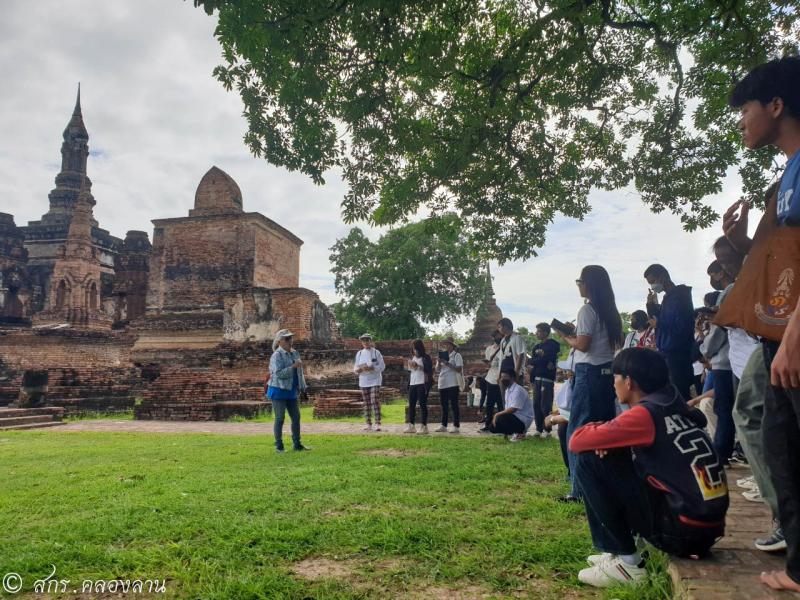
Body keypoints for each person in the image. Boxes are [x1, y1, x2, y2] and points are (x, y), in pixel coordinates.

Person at [715, 56, 800, 592]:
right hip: (781, 333)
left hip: (793, 336)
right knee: (778, 442)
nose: (742, 121)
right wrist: (748, 244)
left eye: (746, 108)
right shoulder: (788, 174)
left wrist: (795, 332)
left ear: (775, 105)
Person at [570, 348, 729, 588]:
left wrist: (602, 431)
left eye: (616, 378)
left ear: (629, 381)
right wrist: (612, 443)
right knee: (612, 453)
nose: (614, 384)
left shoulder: (646, 414)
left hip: (680, 533)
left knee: (589, 459)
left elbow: (576, 440)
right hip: (705, 530)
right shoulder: (675, 405)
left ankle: (627, 563)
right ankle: (620, 552)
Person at [557, 265, 623, 503]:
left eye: (580, 281)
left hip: (588, 372)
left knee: (578, 430)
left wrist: (566, 337)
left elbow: (583, 345)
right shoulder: (610, 311)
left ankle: (578, 489)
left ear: (588, 284)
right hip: (606, 374)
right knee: (603, 429)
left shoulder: (587, 309)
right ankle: (604, 482)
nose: (579, 286)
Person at [699, 268, 736, 464]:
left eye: (712, 274)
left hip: (724, 362)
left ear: (721, 272)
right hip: (732, 361)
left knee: (723, 409)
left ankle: (721, 453)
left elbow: (719, 330)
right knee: (728, 409)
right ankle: (725, 450)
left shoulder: (729, 292)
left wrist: (704, 350)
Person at [644, 264, 695, 401]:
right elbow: (658, 321)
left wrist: (659, 324)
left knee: (680, 395)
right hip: (666, 353)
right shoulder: (667, 298)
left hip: (677, 355)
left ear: (662, 276)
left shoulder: (680, 296)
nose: (653, 286)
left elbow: (682, 328)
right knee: (670, 394)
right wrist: (651, 306)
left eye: (653, 281)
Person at [267, 329, 308, 453]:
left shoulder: (295, 353)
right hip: (278, 389)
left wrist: (303, 388)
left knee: (296, 417)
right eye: (287, 339)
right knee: (280, 418)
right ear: (280, 342)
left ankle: (297, 444)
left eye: (291, 338)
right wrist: (292, 367)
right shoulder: (277, 355)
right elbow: (278, 374)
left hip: (291, 389)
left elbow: (300, 373)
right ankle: (279, 446)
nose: (290, 341)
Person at [486, 357, 534, 440]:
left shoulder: (518, 390)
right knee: (492, 427)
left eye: (505, 377)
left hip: (522, 420)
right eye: (501, 377)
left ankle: (520, 433)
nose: (502, 379)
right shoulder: (508, 390)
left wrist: (497, 414)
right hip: (514, 417)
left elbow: (513, 409)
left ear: (512, 378)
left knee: (500, 417)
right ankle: (508, 434)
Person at [528, 322, 561, 438]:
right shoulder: (536, 347)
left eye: (539, 331)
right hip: (536, 378)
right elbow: (533, 362)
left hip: (547, 379)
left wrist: (535, 360)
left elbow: (545, 359)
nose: (536, 333)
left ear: (545, 332)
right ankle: (538, 428)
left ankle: (547, 429)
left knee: (545, 405)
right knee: (536, 404)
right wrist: (532, 378)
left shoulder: (553, 345)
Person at [354, 333, 386, 431]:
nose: (366, 342)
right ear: (362, 343)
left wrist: (373, 367)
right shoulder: (359, 353)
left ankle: (378, 423)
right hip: (363, 380)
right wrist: (357, 370)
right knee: (366, 403)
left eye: (367, 340)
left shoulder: (376, 353)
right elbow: (355, 367)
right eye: (364, 341)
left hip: (375, 379)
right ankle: (368, 423)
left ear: (370, 341)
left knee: (374, 400)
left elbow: (382, 366)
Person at [435, 337, 463, 434]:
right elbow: (437, 370)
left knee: (454, 405)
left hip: (453, 383)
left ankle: (456, 425)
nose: (446, 346)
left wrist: (447, 363)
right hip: (443, 383)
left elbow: (459, 369)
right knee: (444, 405)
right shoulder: (442, 355)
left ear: (452, 345)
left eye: (448, 344)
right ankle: (444, 425)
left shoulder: (456, 355)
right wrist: (439, 362)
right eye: (445, 344)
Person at [405, 339, 433, 434]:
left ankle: (424, 427)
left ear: (420, 349)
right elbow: (411, 371)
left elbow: (429, 370)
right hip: (413, 383)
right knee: (411, 405)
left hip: (422, 383)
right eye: (413, 349)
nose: (414, 351)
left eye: (416, 349)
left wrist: (419, 366)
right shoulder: (412, 358)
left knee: (422, 404)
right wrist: (410, 365)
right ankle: (411, 426)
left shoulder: (426, 357)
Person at [478, 330, 504, 433]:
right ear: (493, 337)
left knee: (501, 403)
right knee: (489, 403)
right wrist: (487, 363)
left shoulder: (504, 349)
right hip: (490, 377)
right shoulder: (489, 349)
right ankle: (488, 424)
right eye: (497, 336)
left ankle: (501, 425)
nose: (499, 338)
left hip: (501, 378)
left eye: (501, 336)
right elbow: (488, 364)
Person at [497, 317, 527, 393]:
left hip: (513, 373)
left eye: (500, 327)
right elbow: (501, 358)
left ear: (506, 326)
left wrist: (516, 373)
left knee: (515, 397)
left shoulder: (517, 338)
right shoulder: (503, 341)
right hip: (503, 373)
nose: (499, 329)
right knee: (505, 399)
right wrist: (498, 374)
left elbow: (520, 355)